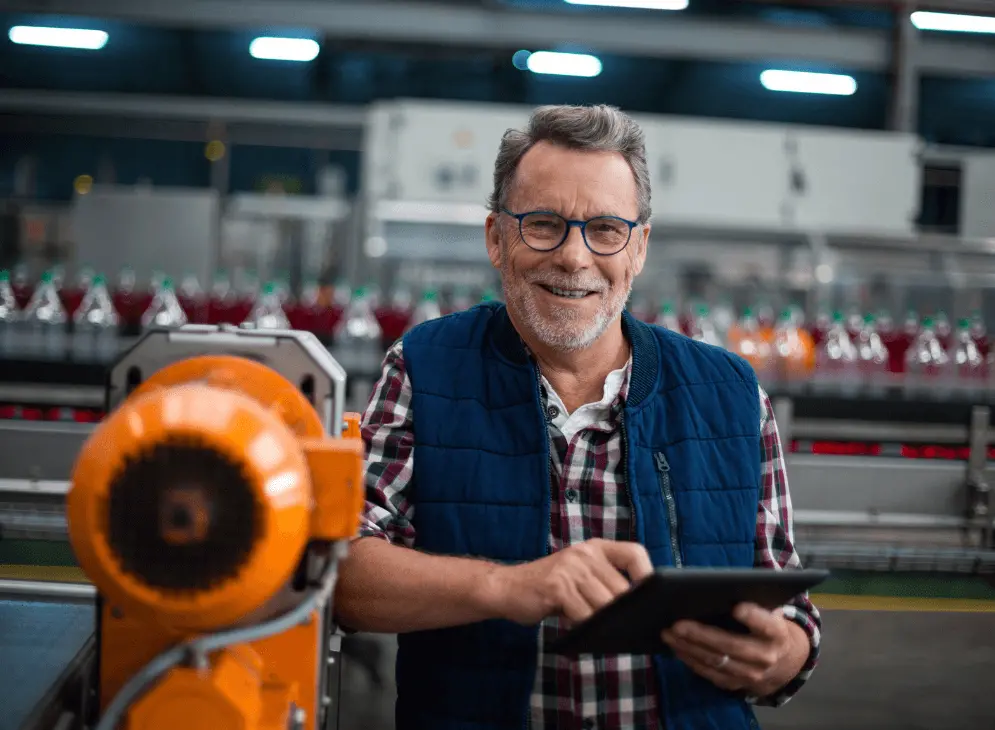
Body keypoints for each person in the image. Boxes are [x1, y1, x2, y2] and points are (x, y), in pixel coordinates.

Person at [335, 104, 821, 730]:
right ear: (496, 238)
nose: (573, 256)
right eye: (542, 224)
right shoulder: (428, 369)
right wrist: (509, 588)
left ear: (638, 247)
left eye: (605, 230)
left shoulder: (729, 392)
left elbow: (790, 606)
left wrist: (781, 654)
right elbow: (343, 569)